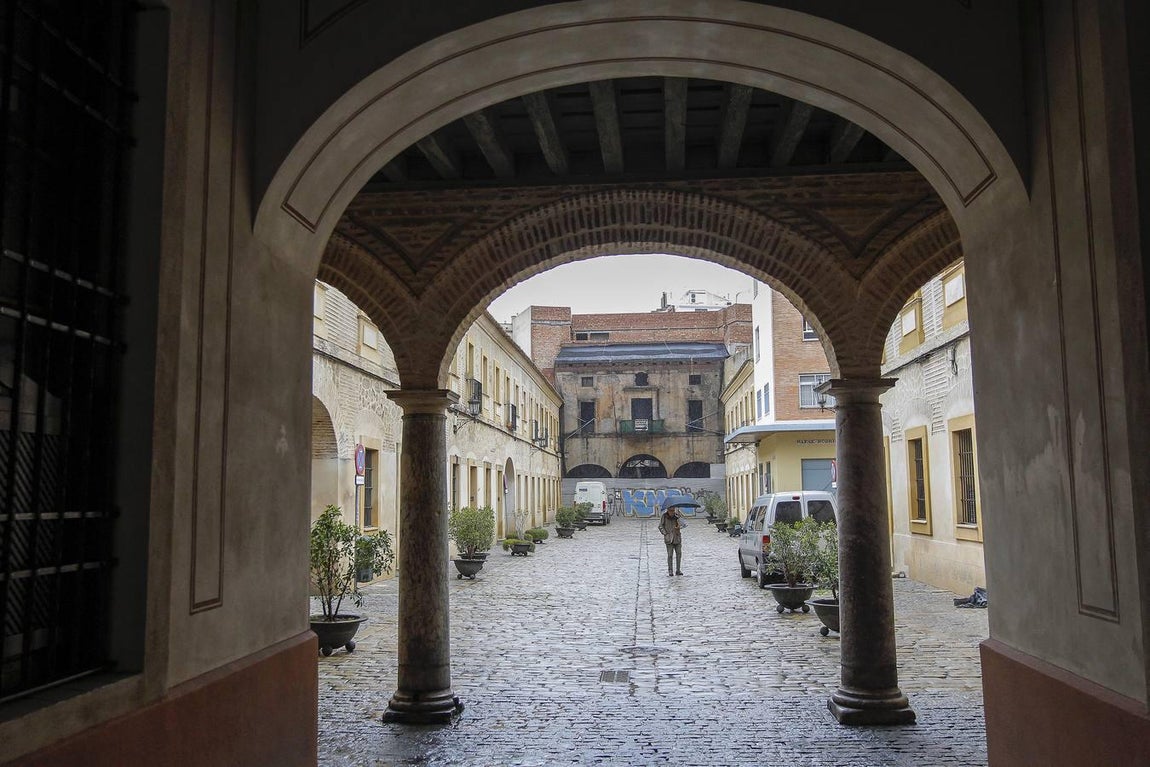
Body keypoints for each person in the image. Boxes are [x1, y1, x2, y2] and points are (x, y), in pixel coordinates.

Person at [658, 506, 684, 576]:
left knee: (679, 554)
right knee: (670, 555)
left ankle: (678, 570)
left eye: (673, 510)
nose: (672, 512)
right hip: (669, 539)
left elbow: (683, 524)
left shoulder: (677, 516)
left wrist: (679, 527)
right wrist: (665, 533)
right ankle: (670, 570)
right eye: (670, 510)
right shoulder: (664, 516)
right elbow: (660, 526)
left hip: (677, 537)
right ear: (668, 510)